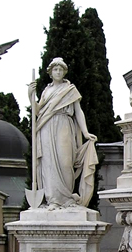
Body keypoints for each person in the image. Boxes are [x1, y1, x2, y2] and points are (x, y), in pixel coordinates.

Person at [27, 58, 98, 209]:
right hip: (46, 127)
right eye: (55, 70)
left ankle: (66, 198)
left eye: (60, 70)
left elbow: (78, 112)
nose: (58, 72)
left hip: (64, 125)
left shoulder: (70, 89)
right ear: (51, 73)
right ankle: (53, 199)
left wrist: (85, 132)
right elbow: (38, 110)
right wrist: (30, 96)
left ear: (64, 72)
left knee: (66, 161)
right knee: (49, 164)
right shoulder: (47, 91)